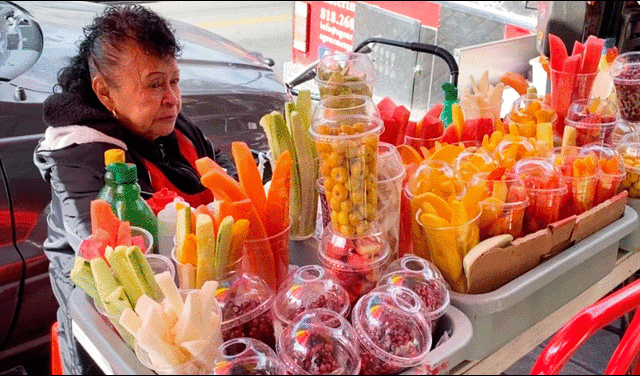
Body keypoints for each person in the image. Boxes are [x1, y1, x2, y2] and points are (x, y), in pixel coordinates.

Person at [33, 4, 236, 374]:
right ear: (105, 93)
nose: (171, 97)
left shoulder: (159, 119)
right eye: (155, 83)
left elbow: (214, 162)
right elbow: (115, 252)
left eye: (174, 81)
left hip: (196, 307)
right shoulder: (79, 158)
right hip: (117, 336)